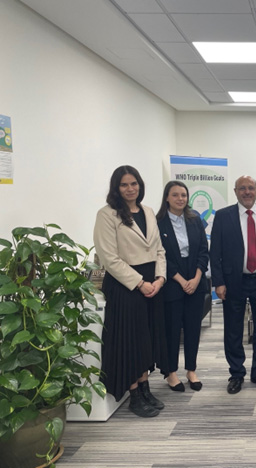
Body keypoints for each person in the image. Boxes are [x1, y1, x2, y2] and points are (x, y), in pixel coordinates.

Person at [93, 165, 169, 418]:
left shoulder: (147, 211)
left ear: (140, 185)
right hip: (126, 285)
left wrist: (159, 278)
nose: (130, 189)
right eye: (124, 184)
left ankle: (146, 388)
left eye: (133, 183)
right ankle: (134, 394)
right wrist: (139, 283)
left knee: (147, 339)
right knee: (131, 341)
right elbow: (109, 258)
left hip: (151, 283)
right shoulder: (107, 215)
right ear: (116, 188)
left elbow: (159, 249)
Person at [210, 175, 256, 394]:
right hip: (233, 282)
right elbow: (215, 252)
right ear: (235, 191)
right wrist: (218, 282)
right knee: (233, 329)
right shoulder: (223, 216)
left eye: (251, 188)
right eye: (243, 188)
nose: (247, 192)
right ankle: (236, 373)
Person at [156, 181, 209, 392]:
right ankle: (171, 372)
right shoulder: (158, 223)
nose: (180, 199)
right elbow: (160, 255)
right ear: (167, 197)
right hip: (171, 281)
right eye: (175, 195)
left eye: (184, 195)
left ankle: (191, 370)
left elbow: (204, 251)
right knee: (172, 329)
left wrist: (196, 278)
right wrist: (180, 279)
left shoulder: (195, 220)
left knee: (193, 328)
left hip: (195, 279)